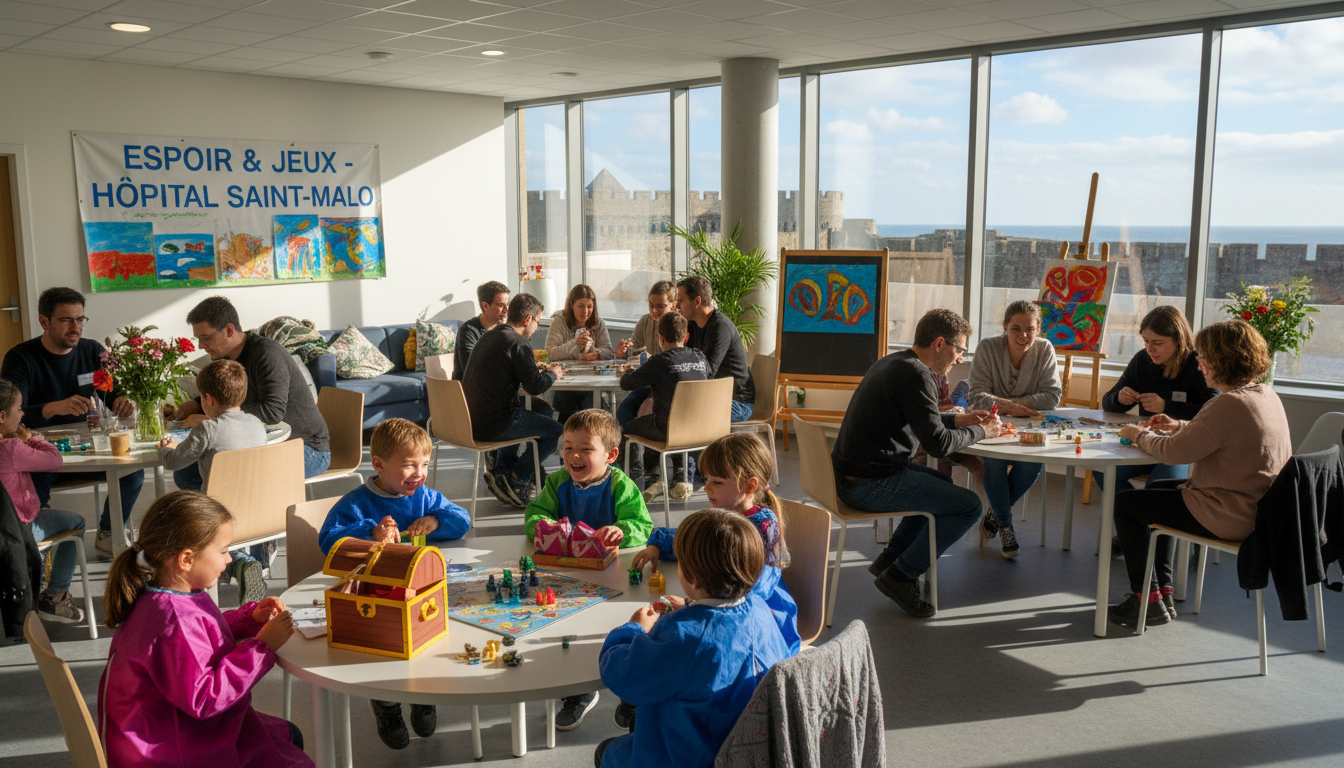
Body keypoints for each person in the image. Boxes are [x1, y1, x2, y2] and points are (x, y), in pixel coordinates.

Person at [98, 490, 310, 768]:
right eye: (223, 551)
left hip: (156, 731)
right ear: (186, 559)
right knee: (289, 749)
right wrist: (262, 647)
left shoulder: (163, 595)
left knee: (286, 736)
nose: (230, 559)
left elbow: (204, 636)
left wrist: (250, 618)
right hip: (172, 748)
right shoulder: (174, 619)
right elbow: (206, 698)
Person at [1110, 320, 1291, 627]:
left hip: (1230, 513)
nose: (1200, 363)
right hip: (1258, 507)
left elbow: (1174, 453)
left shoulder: (1228, 403)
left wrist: (1136, 433)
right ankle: (1162, 593)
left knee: (1127, 505)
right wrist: (1179, 426)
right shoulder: (1264, 394)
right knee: (1160, 494)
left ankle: (1146, 598)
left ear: (1222, 362)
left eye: (1204, 358)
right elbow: (1217, 434)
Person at [832, 308, 1001, 619]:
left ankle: (891, 559)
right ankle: (901, 576)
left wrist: (960, 418)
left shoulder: (896, 362)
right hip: (867, 484)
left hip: (855, 475)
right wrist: (981, 431)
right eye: (960, 349)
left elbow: (923, 419)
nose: (960, 358)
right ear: (939, 343)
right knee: (968, 507)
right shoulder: (917, 375)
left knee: (943, 486)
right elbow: (937, 444)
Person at [594, 508, 792, 768]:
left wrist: (634, 629)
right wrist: (692, 606)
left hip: (687, 755)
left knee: (607, 752)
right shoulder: (761, 610)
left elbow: (620, 674)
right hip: (745, 752)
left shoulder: (681, 635)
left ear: (691, 577)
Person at [317, 418, 470, 749]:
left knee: (425, 641)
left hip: (419, 589)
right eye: (409, 465)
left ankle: (422, 696)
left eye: (424, 464)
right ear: (379, 464)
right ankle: (386, 705)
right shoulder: (356, 503)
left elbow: (462, 521)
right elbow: (328, 542)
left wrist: (436, 520)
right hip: (374, 592)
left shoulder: (425, 497)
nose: (419, 473)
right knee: (384, 645)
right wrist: (370, 532)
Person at [522, 408, 652, 731]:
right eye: (568, 447)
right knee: (571, 633)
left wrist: (622, 531)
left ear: (611, 455)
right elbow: (534, 515)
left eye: (585, 449)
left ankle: (631, 693)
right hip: (568, 575)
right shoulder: (557, 482)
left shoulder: (620, 485)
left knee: (619, 629)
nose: (574, 455)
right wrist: (544, 527)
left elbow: (642, 524)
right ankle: (579, 692)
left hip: (613, 577)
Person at [0, 287, 144, 557]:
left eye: (80, 319)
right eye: (66, 320)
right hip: (41, 451)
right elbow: (10, 416)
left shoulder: (92, 351)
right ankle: (34, 551)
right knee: (35, 484)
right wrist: (54, 408)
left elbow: (116, 393)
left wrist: (125, 402)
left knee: (132, 472)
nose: (75, 327)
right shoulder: (21, 358)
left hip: (87, 446)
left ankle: (109, 533)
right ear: (45, 322)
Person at [169, 296, 331, 482]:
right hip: (262, 442)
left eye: (206, 338)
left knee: (232, 476)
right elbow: (227, 398)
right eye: (197, 339)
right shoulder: (227, 358)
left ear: (229, 330)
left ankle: (244, 510)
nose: (201, 346)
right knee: (186, 474)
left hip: (306, 448)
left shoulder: (267, 354)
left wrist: (217, 420)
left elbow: (272, 413)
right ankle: (229, 510)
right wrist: (194, 405)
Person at [157, 359, 269, 604]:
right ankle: (245, 562)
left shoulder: (207, 428)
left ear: (208, 399)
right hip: (259, 509)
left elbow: (174, 462)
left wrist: (165, 449)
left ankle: (234, 567)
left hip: (217, 515)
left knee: (178, 518)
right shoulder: (256, 424)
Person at [966, 300, 1062, 558]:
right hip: (993, 425)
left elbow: (1052, 396)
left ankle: (995, 515)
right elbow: (975, 396)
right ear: (1004, 328)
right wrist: (1013, 406)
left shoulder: (1045, 349)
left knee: (1033, 462)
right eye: (1016, 329)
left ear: (1039, 328)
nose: (1023, 336)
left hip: (1029, 426)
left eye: (1030, 329)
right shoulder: (987, 347)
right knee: (993, 461)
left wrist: (1012, 405)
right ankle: (1006, 525)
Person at [463, 293, 567, 508]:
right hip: (495, 424)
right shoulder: (518, 342)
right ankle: (518, 478)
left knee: (541, 411)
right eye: (538, 322)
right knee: (557, 430)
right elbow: (535, 386)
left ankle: (502, 471)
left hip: (470, 420)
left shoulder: (490, 336)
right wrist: (554, 374)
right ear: (528, 320)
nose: (536, 328)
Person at [1100, 304, 1218, 493]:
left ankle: (1138, 515)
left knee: (1157, 488)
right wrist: (1119, 399)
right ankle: (1136, 517)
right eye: (1145, 341)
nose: (1149, 349)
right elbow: (1107, 402)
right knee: (1104, 472)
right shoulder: (1142, 360)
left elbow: (1211, 413)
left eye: (1158, 342)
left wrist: (1166, 405)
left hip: (1180, 447)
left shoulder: (1198, 364)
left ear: (1178, 340)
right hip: (1144, 443)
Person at [0, 378, 85, 625]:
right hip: (17, 532)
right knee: (77, 522)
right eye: (19, 409)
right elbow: (54, 459)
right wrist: (32, 439)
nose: (23, 413)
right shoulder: (12, 448)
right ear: (3, 415)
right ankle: (56, 597)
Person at [617, 312, 709, 501]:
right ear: (687, 337)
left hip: (667, 429)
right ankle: (679, 477)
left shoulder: (660, 361)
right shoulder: (701, 358)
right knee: (659, 420)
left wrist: (624, 372)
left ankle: (640, 481)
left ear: (660, 338)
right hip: (700, 429)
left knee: (623, 431)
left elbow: (627, 384)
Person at [676, 276, 755, 423]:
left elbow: (707, 372)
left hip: (738, 403)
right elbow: (684, 360)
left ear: (697, 302)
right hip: (710, 396)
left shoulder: (720, 327)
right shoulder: (692, 324)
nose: (677, 305)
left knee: (683, 409)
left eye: (681, 301)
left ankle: (699, 446)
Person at [546, 284, 615, 424]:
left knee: (596, 407)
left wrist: (597, 353)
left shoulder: (598, 323)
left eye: (590, 306)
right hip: (565, 382)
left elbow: (609, 351)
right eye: (581, 306)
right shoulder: (559, 322)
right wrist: (574, 344)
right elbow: (550, 353)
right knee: (570, 404)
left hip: (591, 381)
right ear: (571, 305)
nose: (586, 311)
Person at [614, 280, 678, 425]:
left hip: (671, 386)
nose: (654, 311)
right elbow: (632, 349)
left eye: (660, 306)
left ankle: (644, 444)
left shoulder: (679, 324)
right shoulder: (645, 321)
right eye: (651, 305)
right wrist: (622, 353)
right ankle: (630, 446)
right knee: (624, 411)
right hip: (650, 382)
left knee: (646, 411)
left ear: (673, 305)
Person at [452, 280, 510, 381]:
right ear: (485, 306)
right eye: (501, 305)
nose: (506, 310)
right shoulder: (468, 331)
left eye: (508, 304)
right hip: (470, 392)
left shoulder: (502, 330)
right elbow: (472, 369)